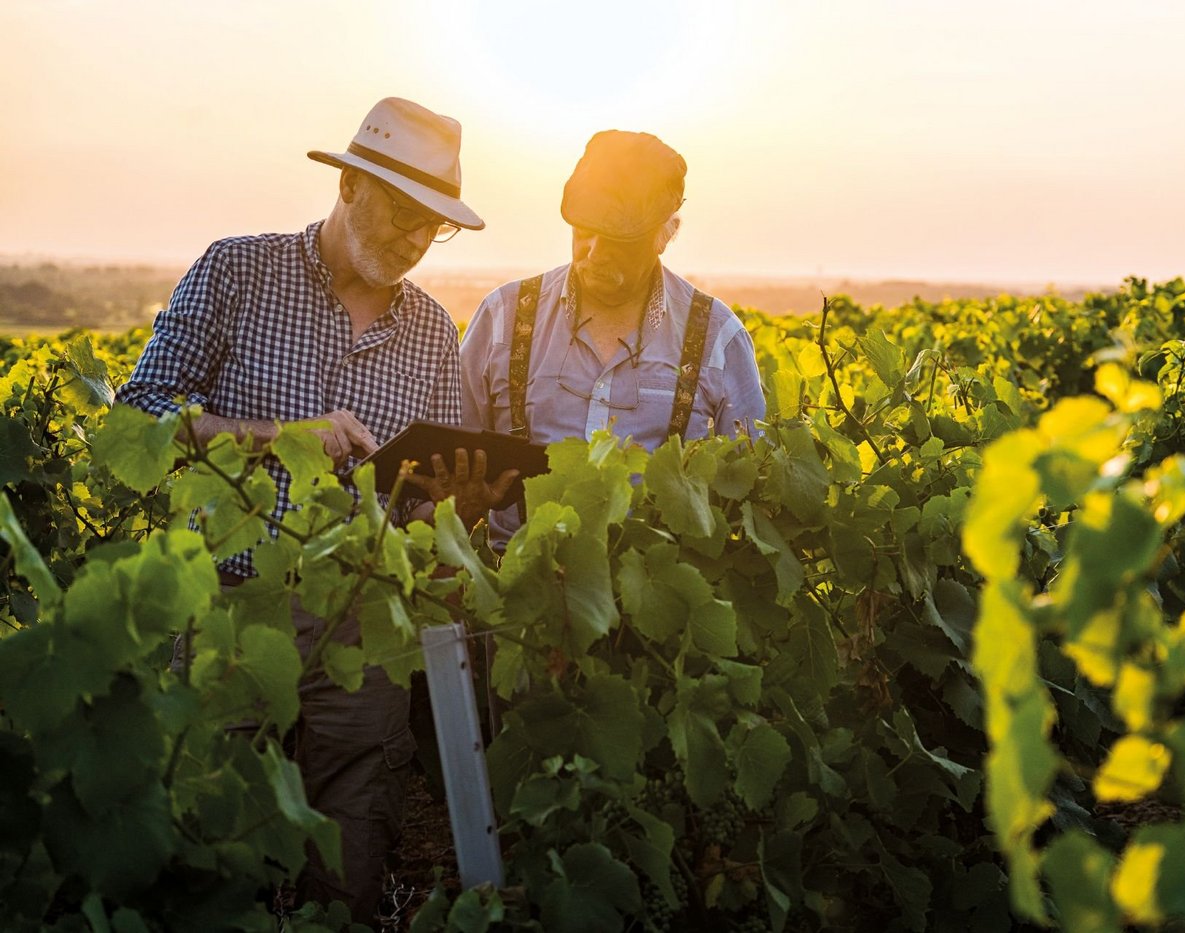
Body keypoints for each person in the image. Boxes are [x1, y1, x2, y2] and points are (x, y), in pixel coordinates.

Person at [115, 96, 510, 923]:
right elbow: (138, 416)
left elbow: (418, 514)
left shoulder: (435, 332)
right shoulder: (237, 271)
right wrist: (282, 437)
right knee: (217, 840)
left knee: (351, 849)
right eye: (405, 214)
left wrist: (456, 506)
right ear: (353, 184)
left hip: (362, 622)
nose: (412, 241)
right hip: (228, 603)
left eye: (432, 229)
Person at [452, 130, 766, 547]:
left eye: (619, 240)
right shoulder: (502, 317)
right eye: (584, 231)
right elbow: (451, 464)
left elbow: (748, 490)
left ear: (663, 236)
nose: (595, 253)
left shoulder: (717, 338)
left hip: (655, 597)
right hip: (515, 591)